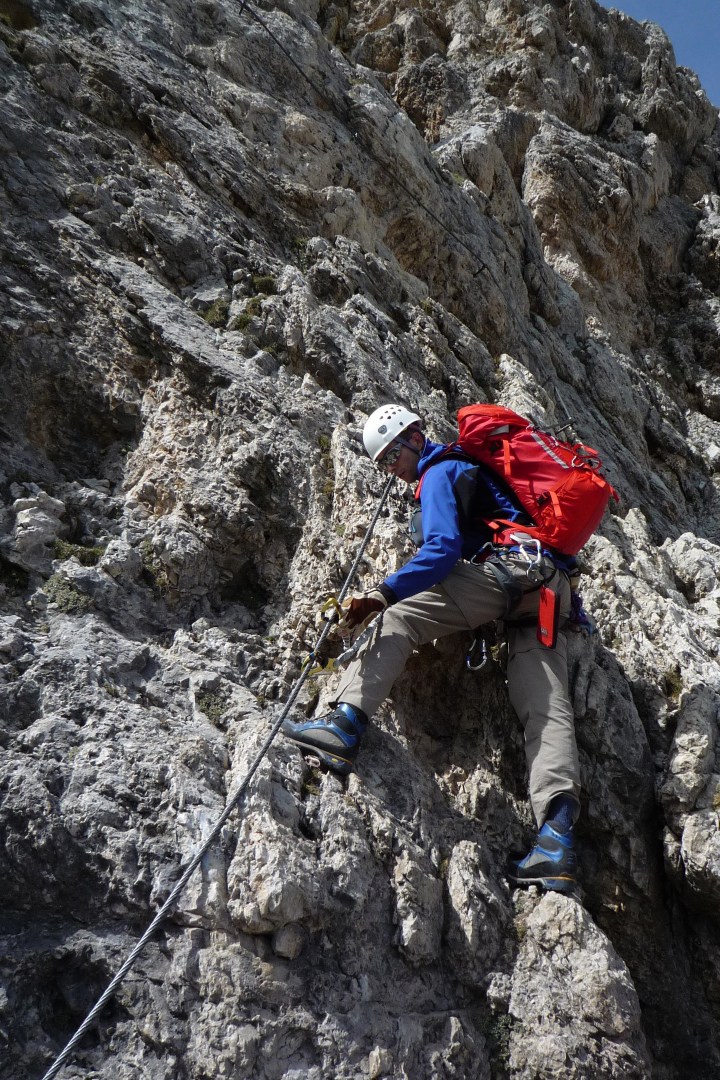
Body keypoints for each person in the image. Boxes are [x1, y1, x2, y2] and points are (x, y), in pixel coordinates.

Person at [282, 403, 581, 894]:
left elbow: (440, 550)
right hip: (548, 592)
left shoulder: (440, 470)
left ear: (415, 438)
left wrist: (380, 594)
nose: (392, 469)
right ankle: (556, 841)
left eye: (393, 455)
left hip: (506, 575)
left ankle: (344, 723)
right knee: (547, 712)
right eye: (383, 464)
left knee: (400, 615)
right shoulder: (472, 472)